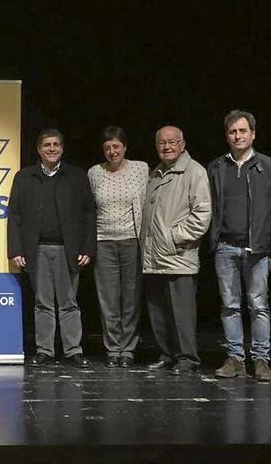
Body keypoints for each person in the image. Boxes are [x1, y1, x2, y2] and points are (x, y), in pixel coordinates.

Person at [8, 128, 96, 368]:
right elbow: (14, 215)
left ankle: (73, 351)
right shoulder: (24, 177)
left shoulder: (76, 176)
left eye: (56, 144)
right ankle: (45, 350)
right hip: (37, 249)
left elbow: (89, 214)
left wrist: (88, 247)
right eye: (47, 145)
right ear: (39, 149)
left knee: (69, 302)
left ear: (62, 148)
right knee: (42, 303)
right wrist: (16, 250)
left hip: (68, 250)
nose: (52, 148)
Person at [206, 110, 271, 382]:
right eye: (232, 132)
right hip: (225, 247)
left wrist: (270, 242)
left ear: (253, 134)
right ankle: (236, 357)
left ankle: (261, 359)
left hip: (257, 249)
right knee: (230, 306)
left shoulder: (269, 166)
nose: (238, 136)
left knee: (259, 305)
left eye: (242, 131)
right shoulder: (216, 167)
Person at [140, 126, 211, 376]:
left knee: (181, 313)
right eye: (162, 143)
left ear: (182, 144)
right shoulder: (156, 173)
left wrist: (173, 238)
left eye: (172, 142)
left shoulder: (194, 172)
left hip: (178, 256)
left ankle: (187, 358)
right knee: (159, 312)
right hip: (153, 256)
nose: (167, 146)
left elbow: (202, 215)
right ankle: (167, 354)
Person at [87, 126, 148, 367]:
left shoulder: (141, 169)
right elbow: (90, 207)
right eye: (108, 148)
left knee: (130, 299)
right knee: (108, 300)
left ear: (125, 147)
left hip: (131, 241)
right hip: (104, 242)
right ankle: (113, 349)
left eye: (116, 146)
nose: (112, 151)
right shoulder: (95, 173)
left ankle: (128, 349)